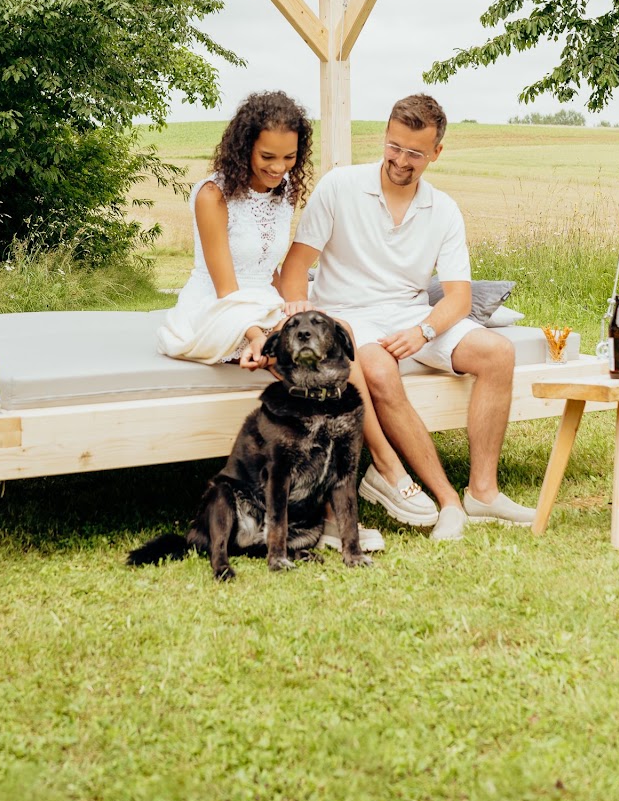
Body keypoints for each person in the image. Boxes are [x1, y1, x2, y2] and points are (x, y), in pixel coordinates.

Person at [157, 90, 438, 545]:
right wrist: (260, 333)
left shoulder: (285, 191)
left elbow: (273, 271)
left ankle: (355, 488)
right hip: (218, 310)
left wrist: (297, 308)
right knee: (307, 370)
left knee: (339, 337)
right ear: (244, 146)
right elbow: (227, 290)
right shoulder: (212, 195)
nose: (278, 168)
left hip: (263, 304)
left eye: (289, 158)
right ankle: (374, 478)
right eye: (267, 156)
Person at [278, 93, 534, 542]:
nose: (400, 160)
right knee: (378, 367)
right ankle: (445, 498)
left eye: (415, 153)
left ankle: (483, 493)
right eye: (394, 146)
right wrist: (303, 318)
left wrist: (424, 331)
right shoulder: (340, 187)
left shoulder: (443, 209)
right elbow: (296, 268)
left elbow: (458, 298)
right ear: (385, 136)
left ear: (436, 152)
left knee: (498, 352)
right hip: (348, 314)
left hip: (412, 315)